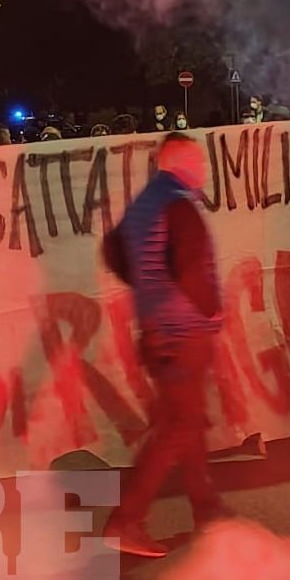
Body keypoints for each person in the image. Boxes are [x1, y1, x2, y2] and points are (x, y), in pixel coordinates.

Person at [99, 134, 225, 557]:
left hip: (157, 328)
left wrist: (148, 289)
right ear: (179, 162)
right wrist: (212, 315)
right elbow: (195, 271)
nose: (202, 168)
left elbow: (113, 249)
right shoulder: (177, 205)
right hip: (182, 332)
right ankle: (126, 521)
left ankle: (208, 511)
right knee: (178, 427)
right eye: (196, 159)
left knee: (186, 421)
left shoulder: (145, 204)